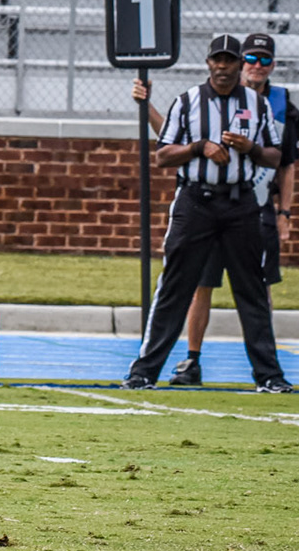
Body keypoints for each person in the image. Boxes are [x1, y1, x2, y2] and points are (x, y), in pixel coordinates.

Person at [124, 35, 290, 393]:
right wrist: (200, 147)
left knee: (252, 290)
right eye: (218, 60)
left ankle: (269, 376)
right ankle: (144, 372)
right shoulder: (188, 101)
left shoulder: (257, 104)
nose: (223, 67)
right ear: (208, 63)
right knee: (175, 286)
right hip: (196, 201)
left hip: (241, 202)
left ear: (238, 65)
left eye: (230, 61)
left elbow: (276, 156)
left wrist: (250, 148)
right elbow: (163, 155)